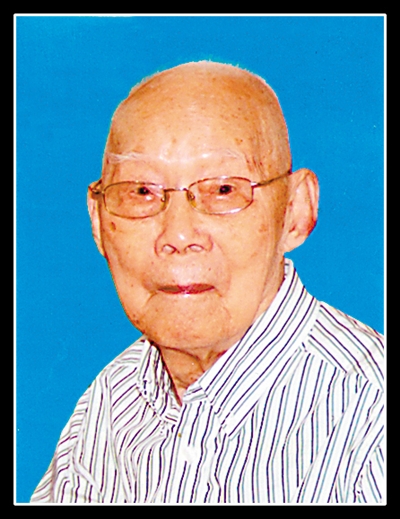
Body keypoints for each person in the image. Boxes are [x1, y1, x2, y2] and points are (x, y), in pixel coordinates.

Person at [31, 61, 384, 504]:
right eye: (141, 192)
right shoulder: (110, 401)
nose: (178, 236)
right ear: (99, 222)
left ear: (295, 212)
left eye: (223, 190)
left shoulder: (370, 417)